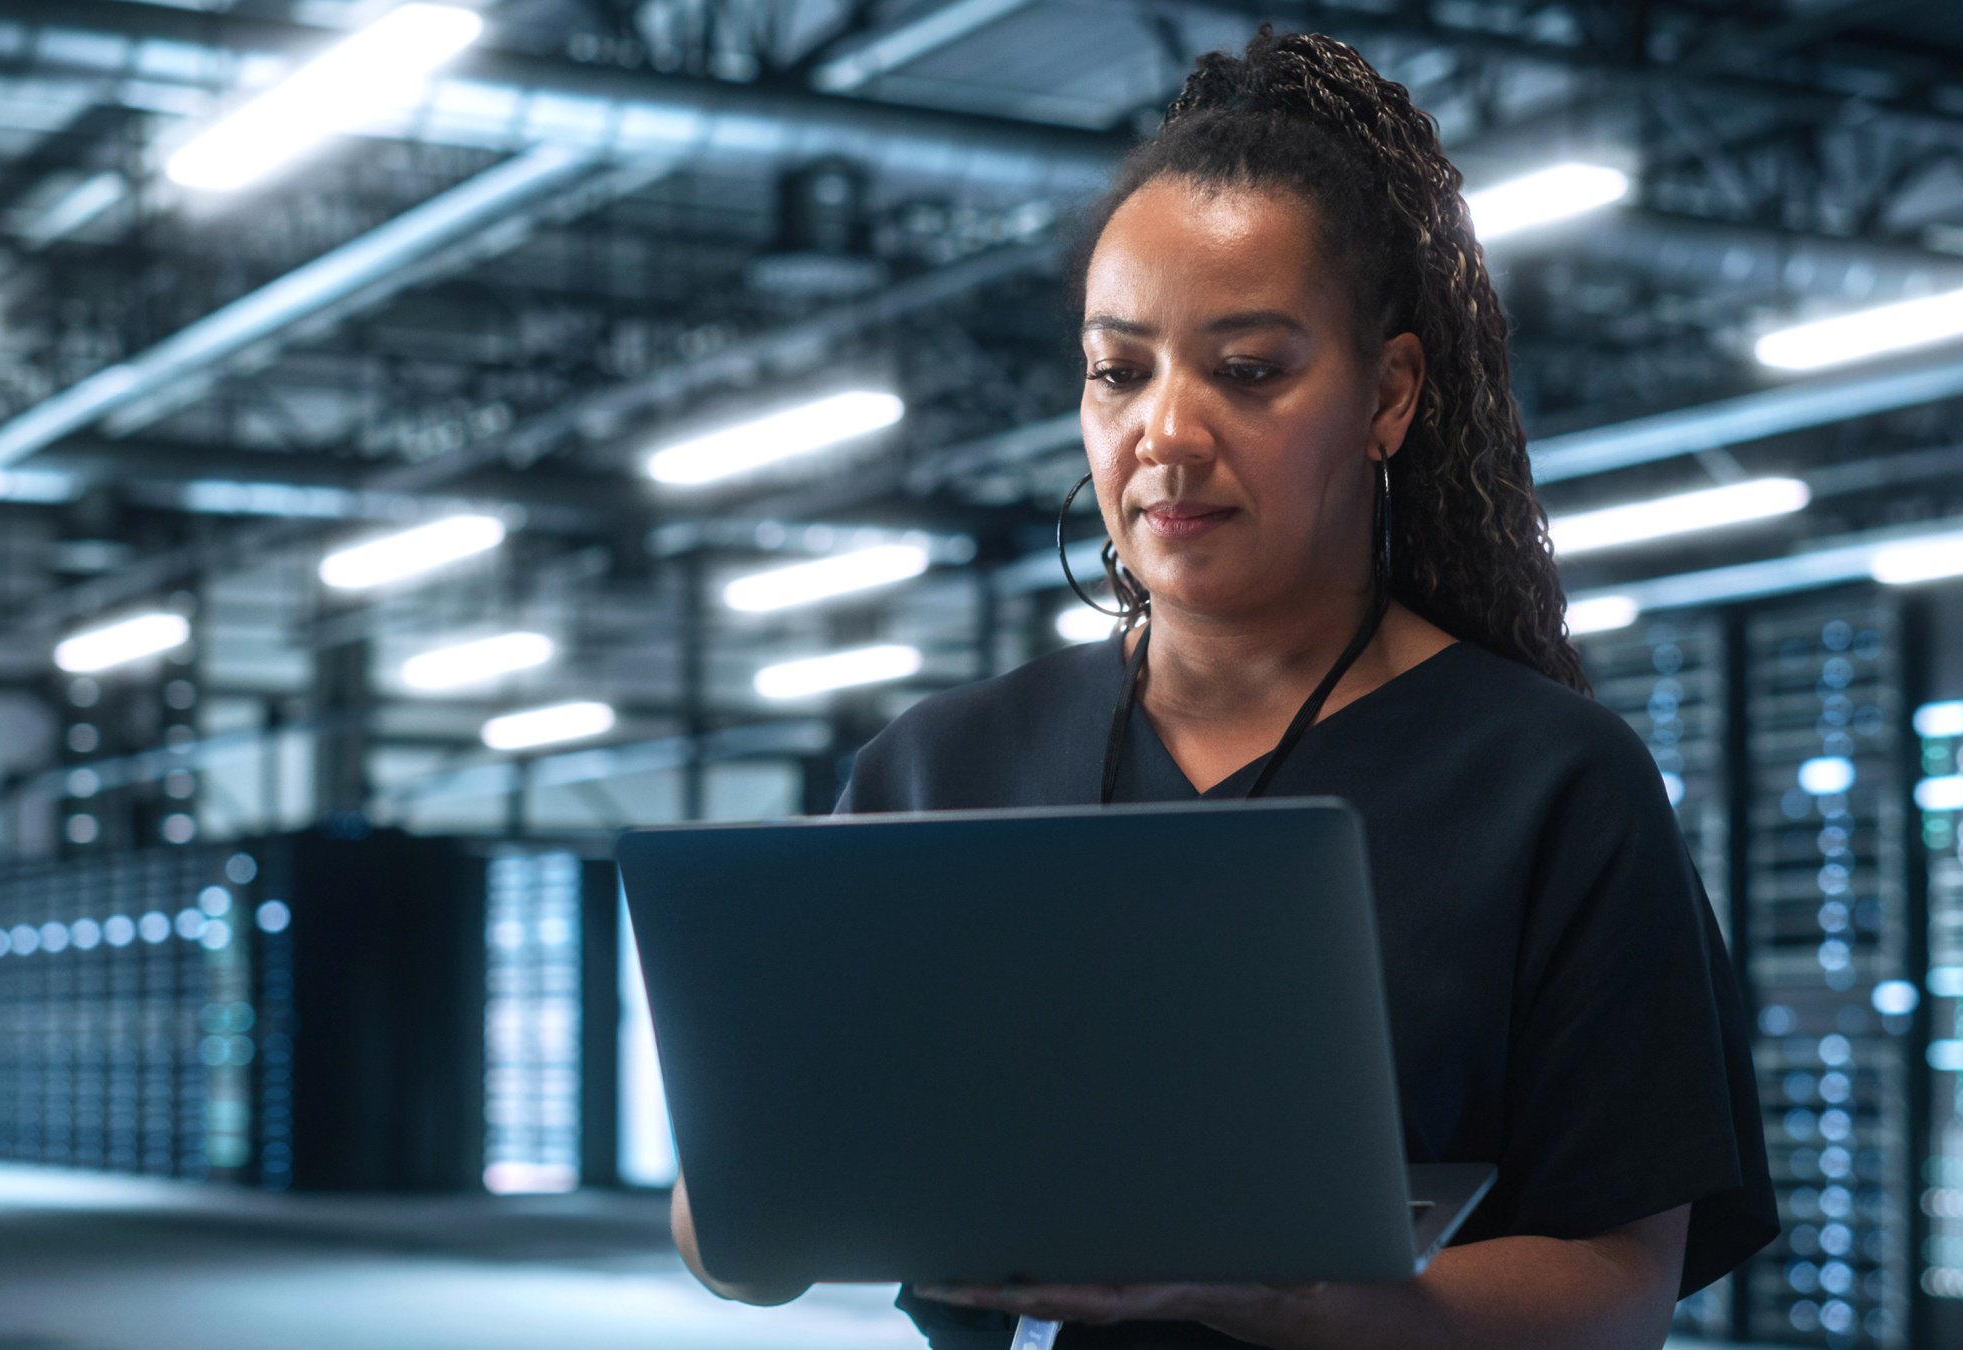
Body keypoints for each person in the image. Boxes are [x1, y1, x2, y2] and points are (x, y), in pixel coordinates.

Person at [667, 23, 1780, 1350]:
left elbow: (1615, 1301)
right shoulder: (937, 768)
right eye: (1119, 368)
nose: (1166, 433)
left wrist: (1245, 1287)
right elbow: (738, 1241)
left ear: (1390, 394)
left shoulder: (1554, 786)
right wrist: (756, 1158)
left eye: (1248, 370)